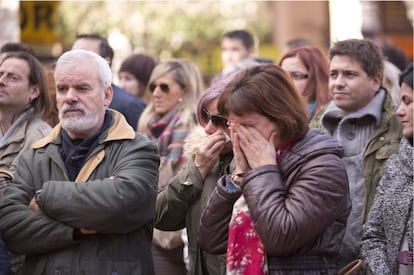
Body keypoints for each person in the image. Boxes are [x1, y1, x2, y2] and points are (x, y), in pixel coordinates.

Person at [0, 49, 160, 274]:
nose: (70, 97)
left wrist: (44, 198)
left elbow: (124, 203)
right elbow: (12, 229)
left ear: (107, 95)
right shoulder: (34, 156)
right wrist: (76, 230)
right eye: (62, 89)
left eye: (82, 88)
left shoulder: (137, 148)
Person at [199, 64, 351, 274]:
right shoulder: (254, 158)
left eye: (248, 125)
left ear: (281, 117)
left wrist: (263, 170)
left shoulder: (323, 165)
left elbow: (281, 236)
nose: (239, 135)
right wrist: (238, 177)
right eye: (233, 126)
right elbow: (211, 240)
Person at [309, 38, 402, 269]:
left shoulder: (399, 128)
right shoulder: (313, 129)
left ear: (375, 81)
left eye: (349, 74)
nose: (338, 83)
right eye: (333, 74)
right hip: (323, 263)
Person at [154, 74, 234, 275]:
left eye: (219, 120)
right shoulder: (202, 156)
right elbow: (162, 216)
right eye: (206, 116)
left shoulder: (257, 162)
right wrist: (196, 170)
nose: (207, 128)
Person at [138, 59, 204, 275]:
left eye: (164, 86)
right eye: (152, 86)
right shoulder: (147, 128)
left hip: (179, 236)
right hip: (148, 230)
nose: (156, 92)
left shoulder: (196, 132)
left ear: (185, 90)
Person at [361, 63, 413, 274]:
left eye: (408, 101)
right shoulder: (397, 165)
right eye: (400, 101)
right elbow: (372, 236)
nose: (399, 111)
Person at [72, 33, 147, 130]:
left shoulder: (130, 105)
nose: (74, 60)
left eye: (83, 55)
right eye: (71, 55)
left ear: (105, 61)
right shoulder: (65, 99)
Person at [279, 46, 331, 119]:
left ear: (316, 77)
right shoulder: (276, 112)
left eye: (295, 75)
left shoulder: (331, 116)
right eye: (282, 75)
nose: (285, 81)